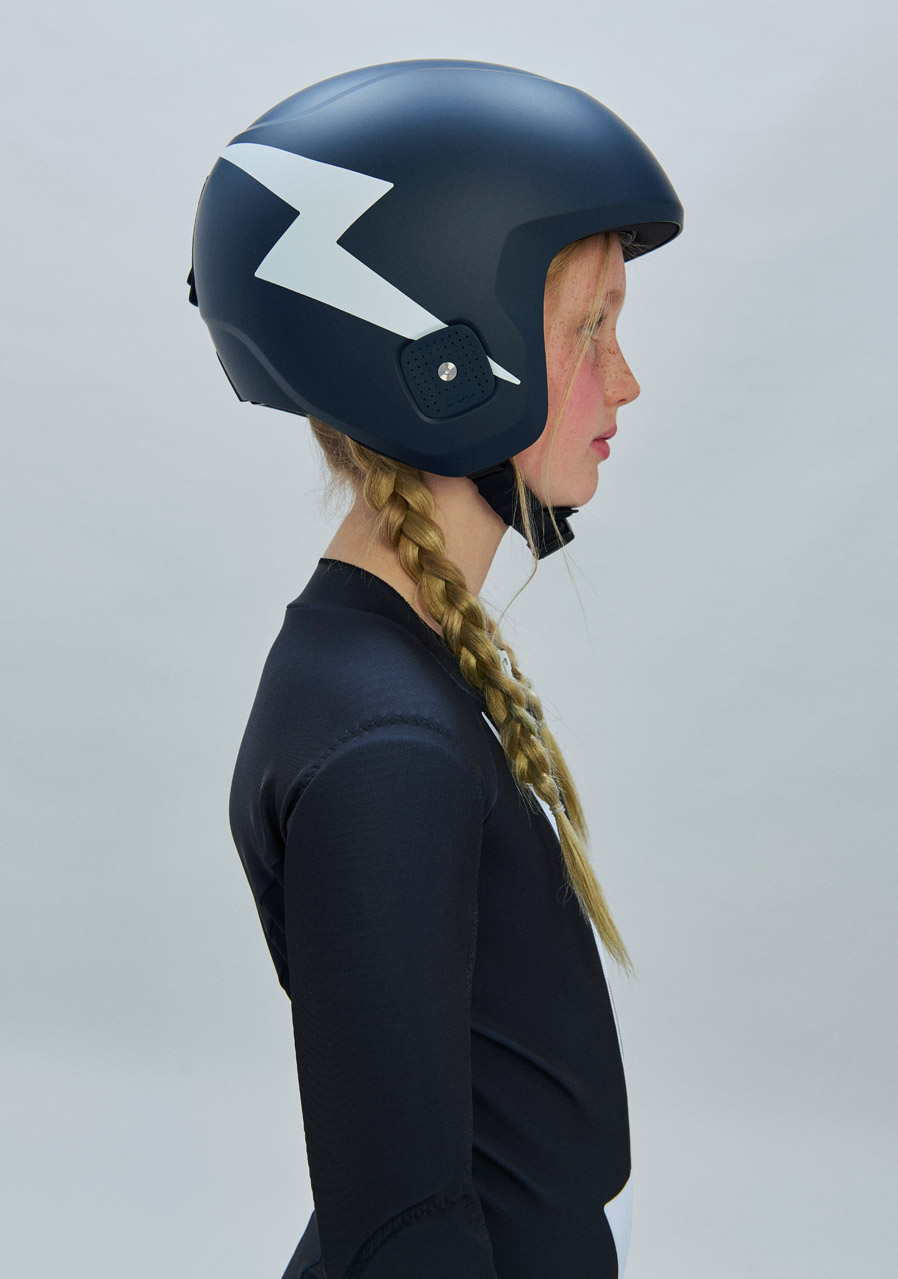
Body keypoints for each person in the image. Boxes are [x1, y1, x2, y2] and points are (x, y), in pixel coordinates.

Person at [188, 58, 683, 1278]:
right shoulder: (388, 750)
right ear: (448, 355)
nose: (625, 380)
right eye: (589, 329)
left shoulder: (377, 671)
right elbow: (400, 1232)